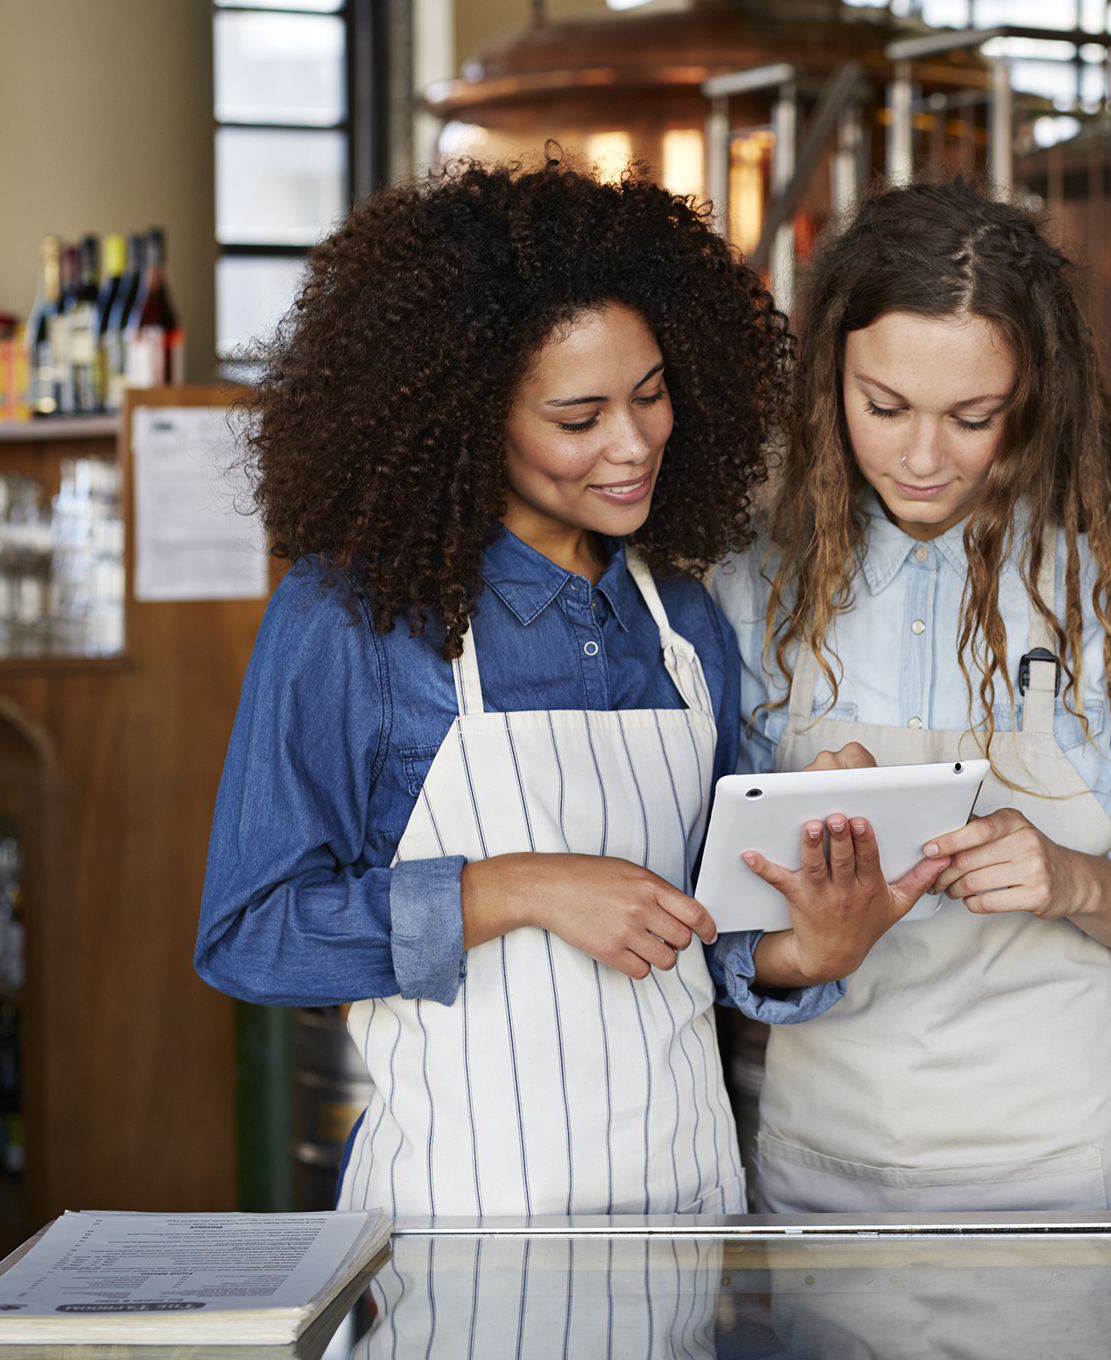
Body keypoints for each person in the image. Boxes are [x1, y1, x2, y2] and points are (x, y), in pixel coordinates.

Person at [195, 159, 872, 1223]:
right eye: (578, 416)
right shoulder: (354, 621)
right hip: (456, 1228)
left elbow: (719, 929)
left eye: (650, 394)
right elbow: (250, 931)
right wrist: (512, 888)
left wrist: (816, 940)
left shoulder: (681, 623)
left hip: (685, 1209)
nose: (635, 440)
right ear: (468, 420)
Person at [711, 179, 1111, 1216]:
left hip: (1060, 1165)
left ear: (1036, 395)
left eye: (973, 417)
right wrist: (803, 883)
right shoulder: (757, 573)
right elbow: (720, 923)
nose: (922, 459)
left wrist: (1074, 881)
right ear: (829, 382)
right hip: (820, 1163)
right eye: (883, 409)